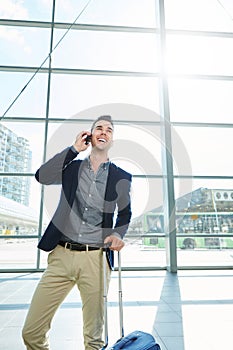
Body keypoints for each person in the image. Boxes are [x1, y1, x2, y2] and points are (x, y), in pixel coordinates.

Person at [22, 115, 132, 350]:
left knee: (94, 339)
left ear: (112, 139)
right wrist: (73, 149)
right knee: (31, 332)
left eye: (109, 130)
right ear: (90, 135)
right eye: (99, 128)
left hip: (96, 260)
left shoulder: (121, 176)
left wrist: (119, 234)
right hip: (61, 256)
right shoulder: (71, 169)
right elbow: (42, 176)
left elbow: (124, 213)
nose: (104, 132)